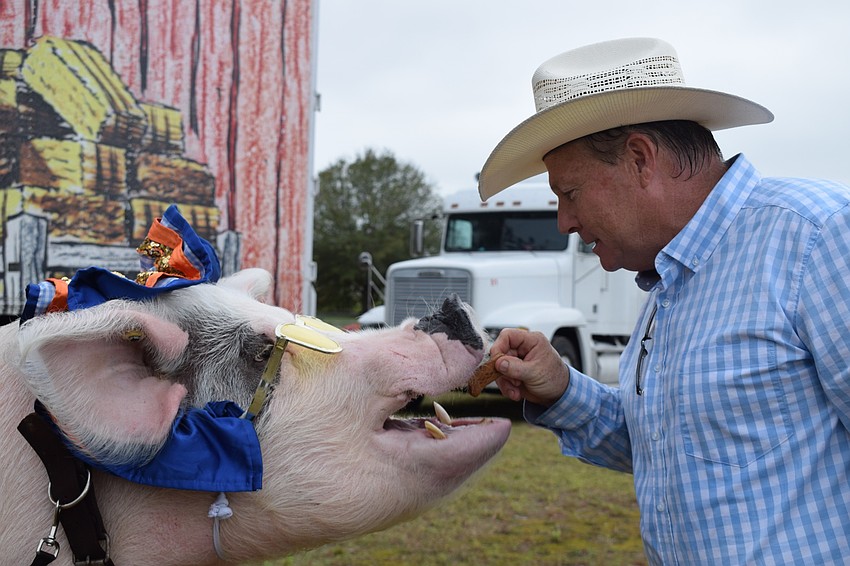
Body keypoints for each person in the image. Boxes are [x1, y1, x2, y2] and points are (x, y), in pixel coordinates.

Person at [477, 37, 850, 564]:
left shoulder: (817, 237)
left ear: (638, 158)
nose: (565, 221)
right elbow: (671, 446)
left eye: (569, 193)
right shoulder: (667, 280)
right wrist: (561, 389)